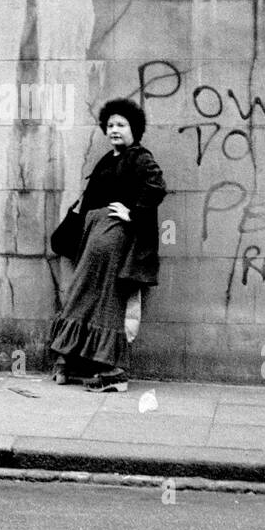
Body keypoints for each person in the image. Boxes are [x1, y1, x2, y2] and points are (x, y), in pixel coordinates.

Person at [49, 98, 167, 392]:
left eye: (121, 125)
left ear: (133, 130)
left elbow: (156, 186)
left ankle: (110, 370)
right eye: (111, 125)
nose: (115, 130)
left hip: (115, 240)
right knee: (84, 297)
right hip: (95, 238)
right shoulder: (108, 160)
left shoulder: (139, 157)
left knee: (106, 302)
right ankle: (73, 361)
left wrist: (133, 213)